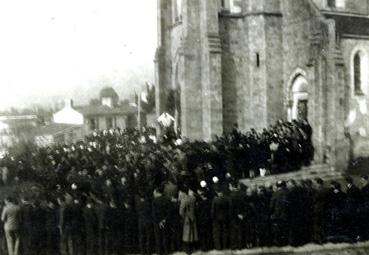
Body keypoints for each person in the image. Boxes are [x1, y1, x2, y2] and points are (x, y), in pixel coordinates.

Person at [152, 186, 171, 255]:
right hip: (165, 221)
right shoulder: (167, 200)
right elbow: (169, 211)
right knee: (165, 236)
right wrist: (164, 220)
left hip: (157, 222)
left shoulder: (154, 201)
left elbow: (154, 213)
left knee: (158, 238)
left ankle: (159, 252)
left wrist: (159, 221)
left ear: (157, 192)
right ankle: (166, 251)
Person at [179, 187, 198, 255]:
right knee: (193, 233)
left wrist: (184, 217)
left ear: (184, 193)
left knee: (187, 234)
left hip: (187, 218)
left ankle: (188, 250)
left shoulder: (184, 200)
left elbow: (181, 211)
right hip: (193, 217)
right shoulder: (193, 198)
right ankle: (193, 248)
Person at [270, 181, 289, 246]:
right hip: (285, 214)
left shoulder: (275, 193)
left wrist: (271, 212)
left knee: (278, 229)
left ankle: (279, 243)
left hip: (277, 215)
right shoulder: (287, 192)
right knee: (285, 229)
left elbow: (271, 205)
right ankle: (285, 242)